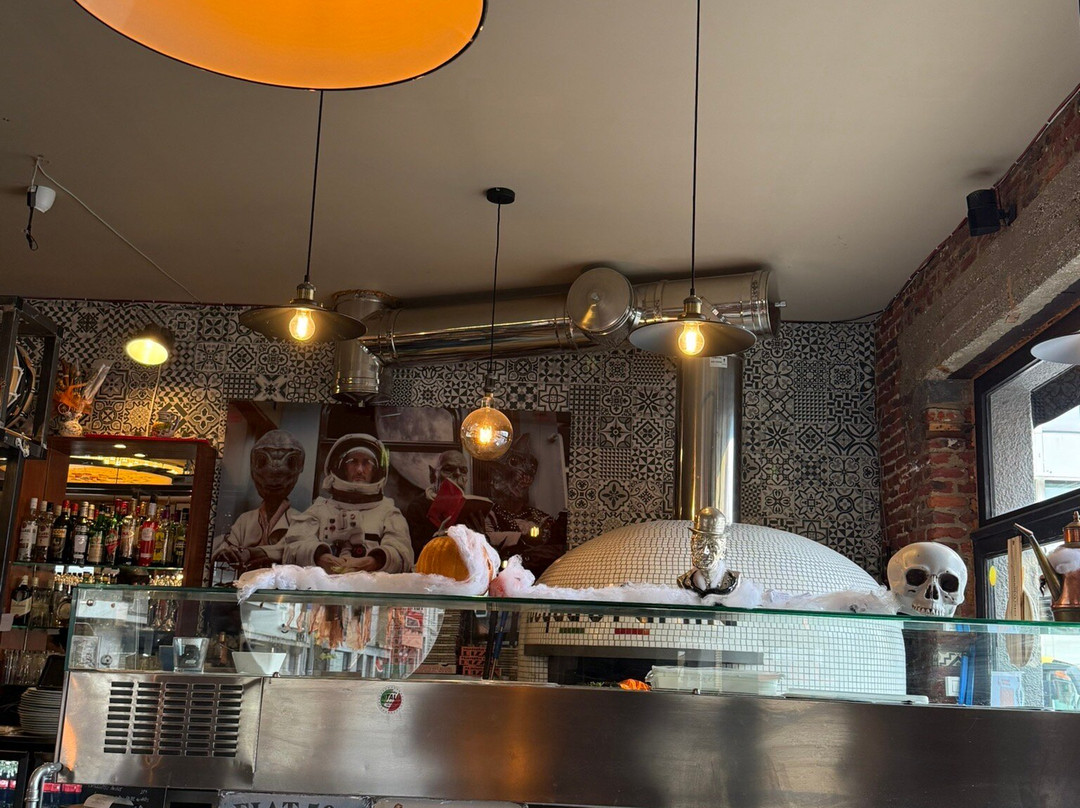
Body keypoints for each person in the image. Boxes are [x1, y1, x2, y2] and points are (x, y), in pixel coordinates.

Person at [281, 433, 413, 573]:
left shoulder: (388, 512)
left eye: (367, 463)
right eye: (353, 462)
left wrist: (373, 562)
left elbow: (402, 554)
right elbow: (292, 549)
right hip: (325, 583)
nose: (359, 470)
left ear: (375, 470)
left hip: (370, 584)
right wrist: (319, 557)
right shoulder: (320, 509)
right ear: (342, 467)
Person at [213, 429, 305, 573]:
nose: (274, 481)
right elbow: (225, 549)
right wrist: (227, 552)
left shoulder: (301, 521)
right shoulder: (245, 521)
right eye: (262, 462)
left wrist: (251, 552)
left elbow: (292, 550)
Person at [484, 433, 565, 575]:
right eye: (514, 464)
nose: (526, 477)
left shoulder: (541, 518)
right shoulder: (486, 514)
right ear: (495, 477)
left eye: (530, 471)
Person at [404, 449, 488, 559]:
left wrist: (481, 537)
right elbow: (416, 553)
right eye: (448, 469)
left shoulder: (469, 506)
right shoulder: (418, 507)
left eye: (463, 471)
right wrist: (440, 539)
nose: (457, 474)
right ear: (433, 475)